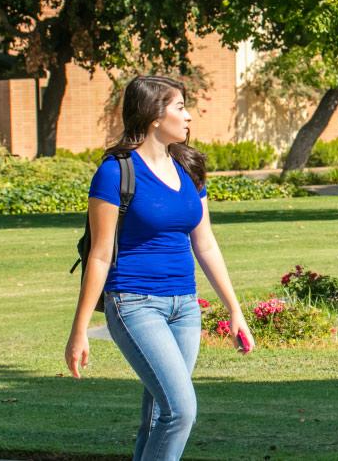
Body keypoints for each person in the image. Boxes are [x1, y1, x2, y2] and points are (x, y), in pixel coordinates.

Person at [64, 76, 255, 461]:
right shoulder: (115, 172)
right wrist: (79, 329)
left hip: (184, 306)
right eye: (180, 107)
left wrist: (235, 310)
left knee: (157, 417)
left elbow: (206, 243)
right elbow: (100, 255)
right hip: (134, 303)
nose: (188, 116)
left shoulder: (188, 167)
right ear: (154, 115)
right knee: (181, 411)